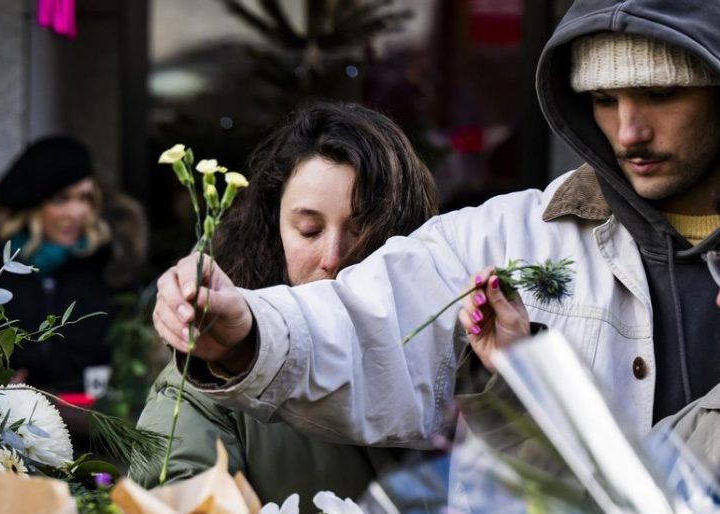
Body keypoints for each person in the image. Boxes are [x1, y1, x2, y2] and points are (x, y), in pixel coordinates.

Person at [152, 0, 720, 449]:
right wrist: (247, 333)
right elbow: (370, 322)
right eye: (602, 98)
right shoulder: (508, 238)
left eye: (660, 94)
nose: (627, 132)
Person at [138, 102, 438, 514]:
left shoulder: (455, 349)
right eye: (309, 230)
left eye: (362, 230)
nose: (333, 257)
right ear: (272, 227)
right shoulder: (212, 369)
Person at [0, 135, 147, 396]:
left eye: (85, 197)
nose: (76, 212)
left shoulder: (111, 271)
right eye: (61, 199)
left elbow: (136, 359)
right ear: (32, 204)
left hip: (94, 428)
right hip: (2, 427)